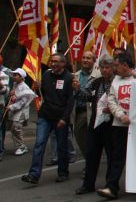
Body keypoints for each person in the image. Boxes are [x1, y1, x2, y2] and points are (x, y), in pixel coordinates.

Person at [22, 53, 75, 184]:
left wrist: (64, 118)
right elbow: (43, 94)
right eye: (52, 61)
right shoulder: (46, 75)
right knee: (39, 144)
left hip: (60, 118)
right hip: (45, 116)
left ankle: (63, 172)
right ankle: (34, 174)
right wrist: (37, 87)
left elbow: (70, 101)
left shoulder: (69, 78)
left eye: (57, 61)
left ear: (63, 63)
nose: (53, 64)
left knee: (61, 146)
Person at [98, 52, 136, 199]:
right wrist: (121, 116)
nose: (114, 69)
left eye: (116, 65)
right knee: (117, 157)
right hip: (120, 125)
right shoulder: (116, 81)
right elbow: (112, 101)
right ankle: (111, 187)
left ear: (125, 65)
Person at [74, 56, 115, 195]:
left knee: (112, 156)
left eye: (107, 67)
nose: (104, 70)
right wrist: (78, 90)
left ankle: (111, 184)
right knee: (91, 154)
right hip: (96, 123)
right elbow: (86, 96)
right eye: (102, 67)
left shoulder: (118, 83)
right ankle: (88, 184)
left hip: (112, 125)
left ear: (113, 68)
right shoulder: (96, 82)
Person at [71, 51, 97, 159]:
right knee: (79, 136)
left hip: (92, 111)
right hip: (77, 110)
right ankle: (89, 160)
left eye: (89, 58)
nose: (85, 60)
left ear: (94, 61)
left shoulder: (98, 75)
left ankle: (90, 164)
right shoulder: (74, 75)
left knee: (92, 139)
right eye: (84, 57)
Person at [4, 68, 34, 156]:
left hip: (21, 111)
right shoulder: (15, 84)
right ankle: (19, 146)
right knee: (13, 129)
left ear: (21, 77)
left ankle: (21, 146)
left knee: (16, 128)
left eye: (16, 75)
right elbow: (14, 96)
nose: (14, 77)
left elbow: (22, 102)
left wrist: (11, 107)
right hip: (14, 110)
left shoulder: (25, 88)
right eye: (14, 75)